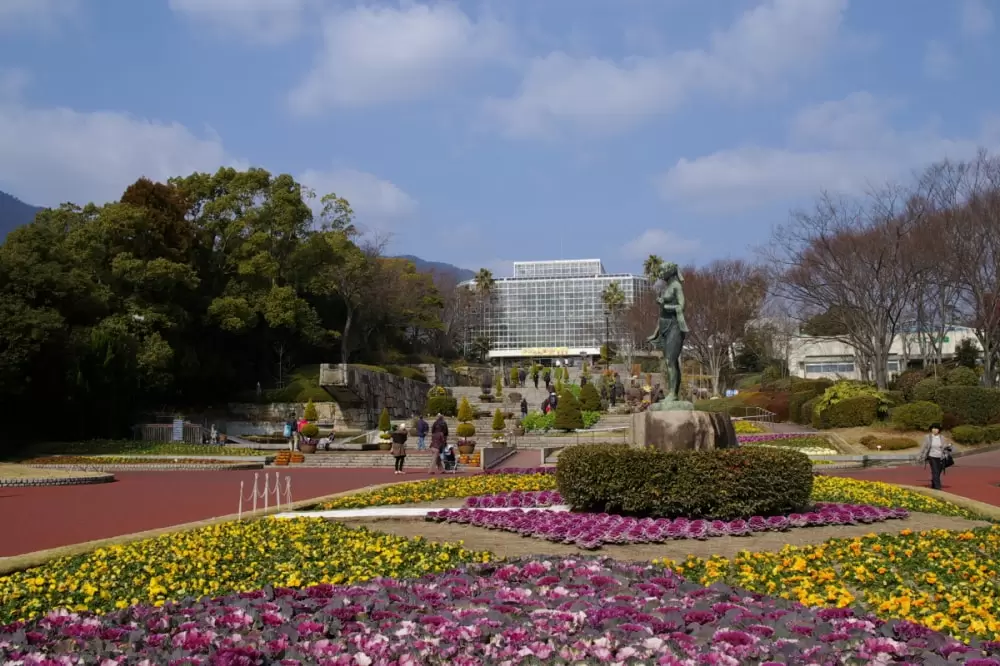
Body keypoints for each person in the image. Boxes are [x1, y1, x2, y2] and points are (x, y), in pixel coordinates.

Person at [917, 423, 953, 490]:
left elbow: (944, 446)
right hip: (932, 456)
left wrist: (948, 446)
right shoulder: (928, 437)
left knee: (938, 472)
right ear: (931, 429)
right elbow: (923, 447)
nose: (935, 430)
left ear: (939, 430)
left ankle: (934, 484)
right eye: (933, 428)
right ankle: (938, 487)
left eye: (936, 428)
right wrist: (920, 456)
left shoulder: (942, 438)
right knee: (935, 471)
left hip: (941, 457)